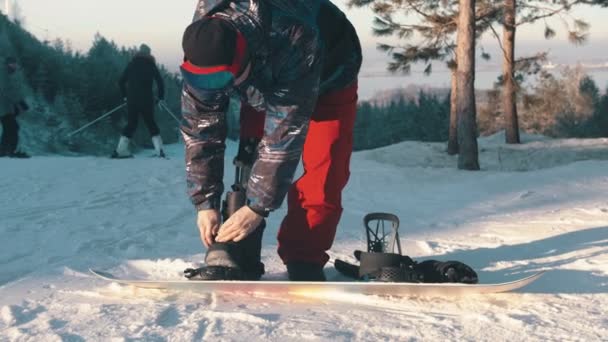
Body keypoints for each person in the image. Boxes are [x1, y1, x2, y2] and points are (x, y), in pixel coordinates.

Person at [180, 0, 362, 281]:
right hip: (261, 72)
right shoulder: (203, 41)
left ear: (241, 61)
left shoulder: (294, 35)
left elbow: (282, 140)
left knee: (325, 167)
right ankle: (239, 249)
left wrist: (258, 208)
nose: (217, 91)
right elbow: (200, 128)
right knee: (251, 158)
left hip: (329, 70)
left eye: (222, 83)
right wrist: (205, 202)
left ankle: (305, 254)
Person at [113, 44, 166, 158]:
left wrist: (125, 96)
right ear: (148, 53)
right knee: (151, 123)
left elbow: (121, 81)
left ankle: (120, 150)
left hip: (132, 100)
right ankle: (159, 150)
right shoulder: (150, 65)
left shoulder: (131, 64)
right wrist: (160, 98)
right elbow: (160, 82)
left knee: (131, 124)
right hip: (147, 99)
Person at [0, 56, 30, 158]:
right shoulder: (3, 73)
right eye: (12, 64)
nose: (15, 66)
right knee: (12, 127)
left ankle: (4, 151)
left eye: (15, 64)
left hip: (6, 107)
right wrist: (20, 102)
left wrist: (15, 106)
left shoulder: (6, 73)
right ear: (7, 64)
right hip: (3, 107)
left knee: (9, 128)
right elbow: (6, 90)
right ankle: (9, 151)